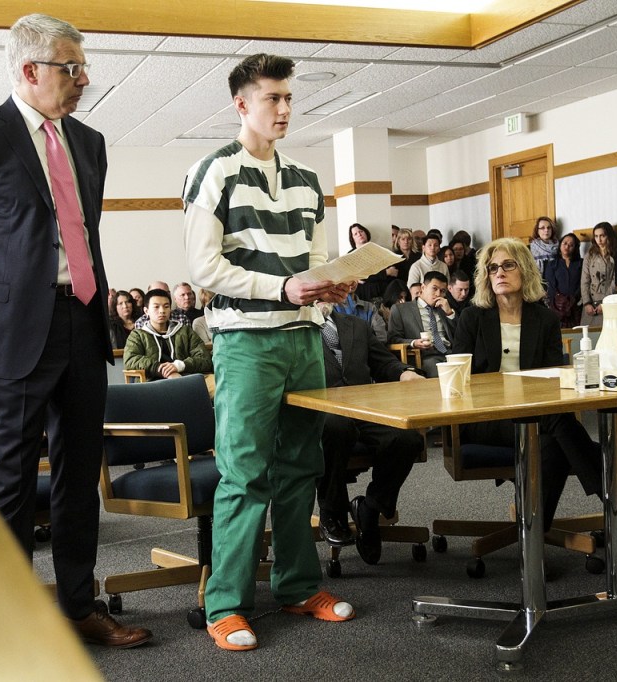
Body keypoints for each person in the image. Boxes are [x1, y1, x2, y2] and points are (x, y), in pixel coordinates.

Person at [0, 13, 151, 648]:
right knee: (12, 478)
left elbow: (84, 233)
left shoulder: (89, 142)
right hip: (14, 331)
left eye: (83, 67)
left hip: (83, 319)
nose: (84, 79)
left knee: (80, 475)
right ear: (29, 70)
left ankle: (80, 606)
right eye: (71, 67)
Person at [183, 52, 354, 652]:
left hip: (303, 337)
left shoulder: (306, 178)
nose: (284, 109)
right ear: (242, 104)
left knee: (302, 467)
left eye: (288, 98)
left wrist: (330, 287)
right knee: (244, 473)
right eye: (271, 98)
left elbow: (316, 261)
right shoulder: (214, 171)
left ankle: (297, 586)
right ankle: (225, 604)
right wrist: (281, 287)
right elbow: (204, 267)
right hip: (246, 342)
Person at [453, 238, 617, 537]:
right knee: (559, 421)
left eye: (508, 265)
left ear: (525, 270)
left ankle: (531, 535)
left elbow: (553, 379)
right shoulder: (472, 318)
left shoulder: (544, 320)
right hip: (484, 416)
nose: (499, 273)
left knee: (552, 445)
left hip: (535, 413)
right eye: (492, 268)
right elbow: (459, 376)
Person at [315, 302, 423, 564]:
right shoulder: (294, 329)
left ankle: (370, 508)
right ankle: (333, 512)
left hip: (363, 410)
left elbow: (383, 363)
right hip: (319, 412)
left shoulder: (357, 325)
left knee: (407, 438)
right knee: (335, 426)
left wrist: (404, 373)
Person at [123, 288, 212, 380]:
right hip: (152, 382)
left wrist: (179, 365)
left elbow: (204, 358)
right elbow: (130, 360)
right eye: (156, 307)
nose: (162, 311)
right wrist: (161, 369)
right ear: (146, 311)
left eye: (166, 306)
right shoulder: (137, 335)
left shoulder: (185, 331)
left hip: (186, 378)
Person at [387, 270, 454, 377]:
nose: (438, 294)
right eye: (434, 288)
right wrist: (413, 343)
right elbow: (393, 339)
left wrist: (449, 313)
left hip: (450, 354)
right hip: (425, 356)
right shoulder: (401, 309)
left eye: (442, 291)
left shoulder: (445, 308)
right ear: (423, 287)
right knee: (438, 370)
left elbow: (460, 336)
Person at [580, 221, 617, 326]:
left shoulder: (615, 255)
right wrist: (587, 303)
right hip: (591, 303)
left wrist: (605, 303)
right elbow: (585, 280)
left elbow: (615, 280)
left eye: (602, 236)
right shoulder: (590, 255)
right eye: (596, 236)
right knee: (587, 332)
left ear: (609, 236)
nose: (599, 240)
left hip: (609, 301)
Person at [544, 232, 583, 329]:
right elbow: (551, 286)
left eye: (571, 245)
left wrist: (572, 300)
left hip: (576, 305)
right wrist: (561, 303)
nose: (567, 246)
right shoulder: (552, 264)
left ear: (575, 248)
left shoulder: (581, 263)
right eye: (565, 243)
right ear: (560, 245)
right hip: (558, 307)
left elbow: (583, 283)